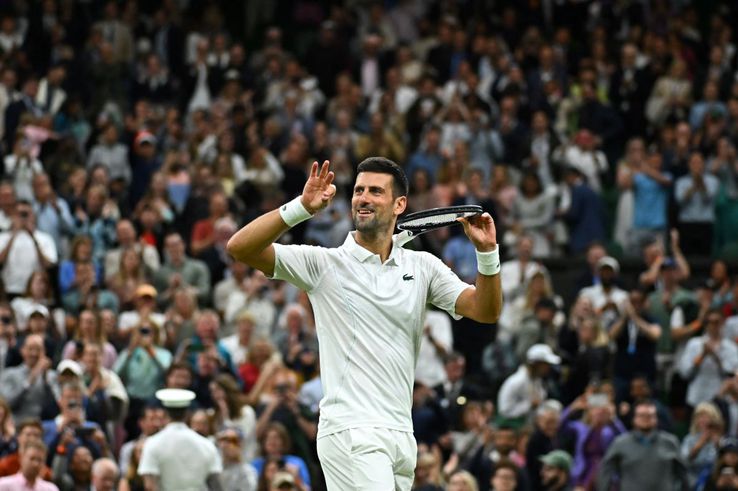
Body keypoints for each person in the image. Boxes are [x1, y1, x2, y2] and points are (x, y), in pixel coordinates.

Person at [227, 157, 502, 489]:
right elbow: (240, 247)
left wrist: (487, 254)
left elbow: (485, 310)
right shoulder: (323, 263)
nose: (363, 198)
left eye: (375, 191)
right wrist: (301, 207)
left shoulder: (423, 266)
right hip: (352, 431)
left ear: (400, 204)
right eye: (359, 191)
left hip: (401, 435)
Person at [138, 388, 222, 491]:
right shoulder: (207, 444)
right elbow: (216, 484)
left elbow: (150, 486)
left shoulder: (152, 443)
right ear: (187, 414)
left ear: (165, 413)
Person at [596, 400, 688, 491]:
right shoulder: (620, 443)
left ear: (656, 418)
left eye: (650, 416)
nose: (645, 419)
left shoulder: (670, 442)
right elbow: (606, 470)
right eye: (641, 415)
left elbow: (684, 474)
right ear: (634, 418)